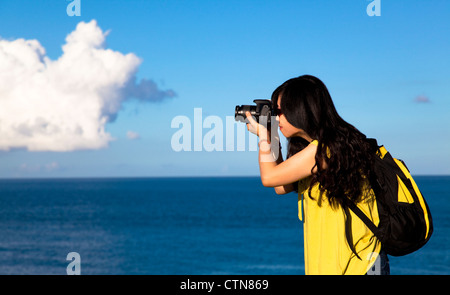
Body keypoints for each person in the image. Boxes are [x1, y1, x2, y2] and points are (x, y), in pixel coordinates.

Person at [245, 75, 390, 275]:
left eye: (279, 111)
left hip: (358, 266)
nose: (276, 118)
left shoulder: (325, 150)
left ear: (299, 109)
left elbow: (269, 178)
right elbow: (281, 186)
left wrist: (263, 136)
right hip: (339, 265)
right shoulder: (331, 145)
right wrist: (272, 137)